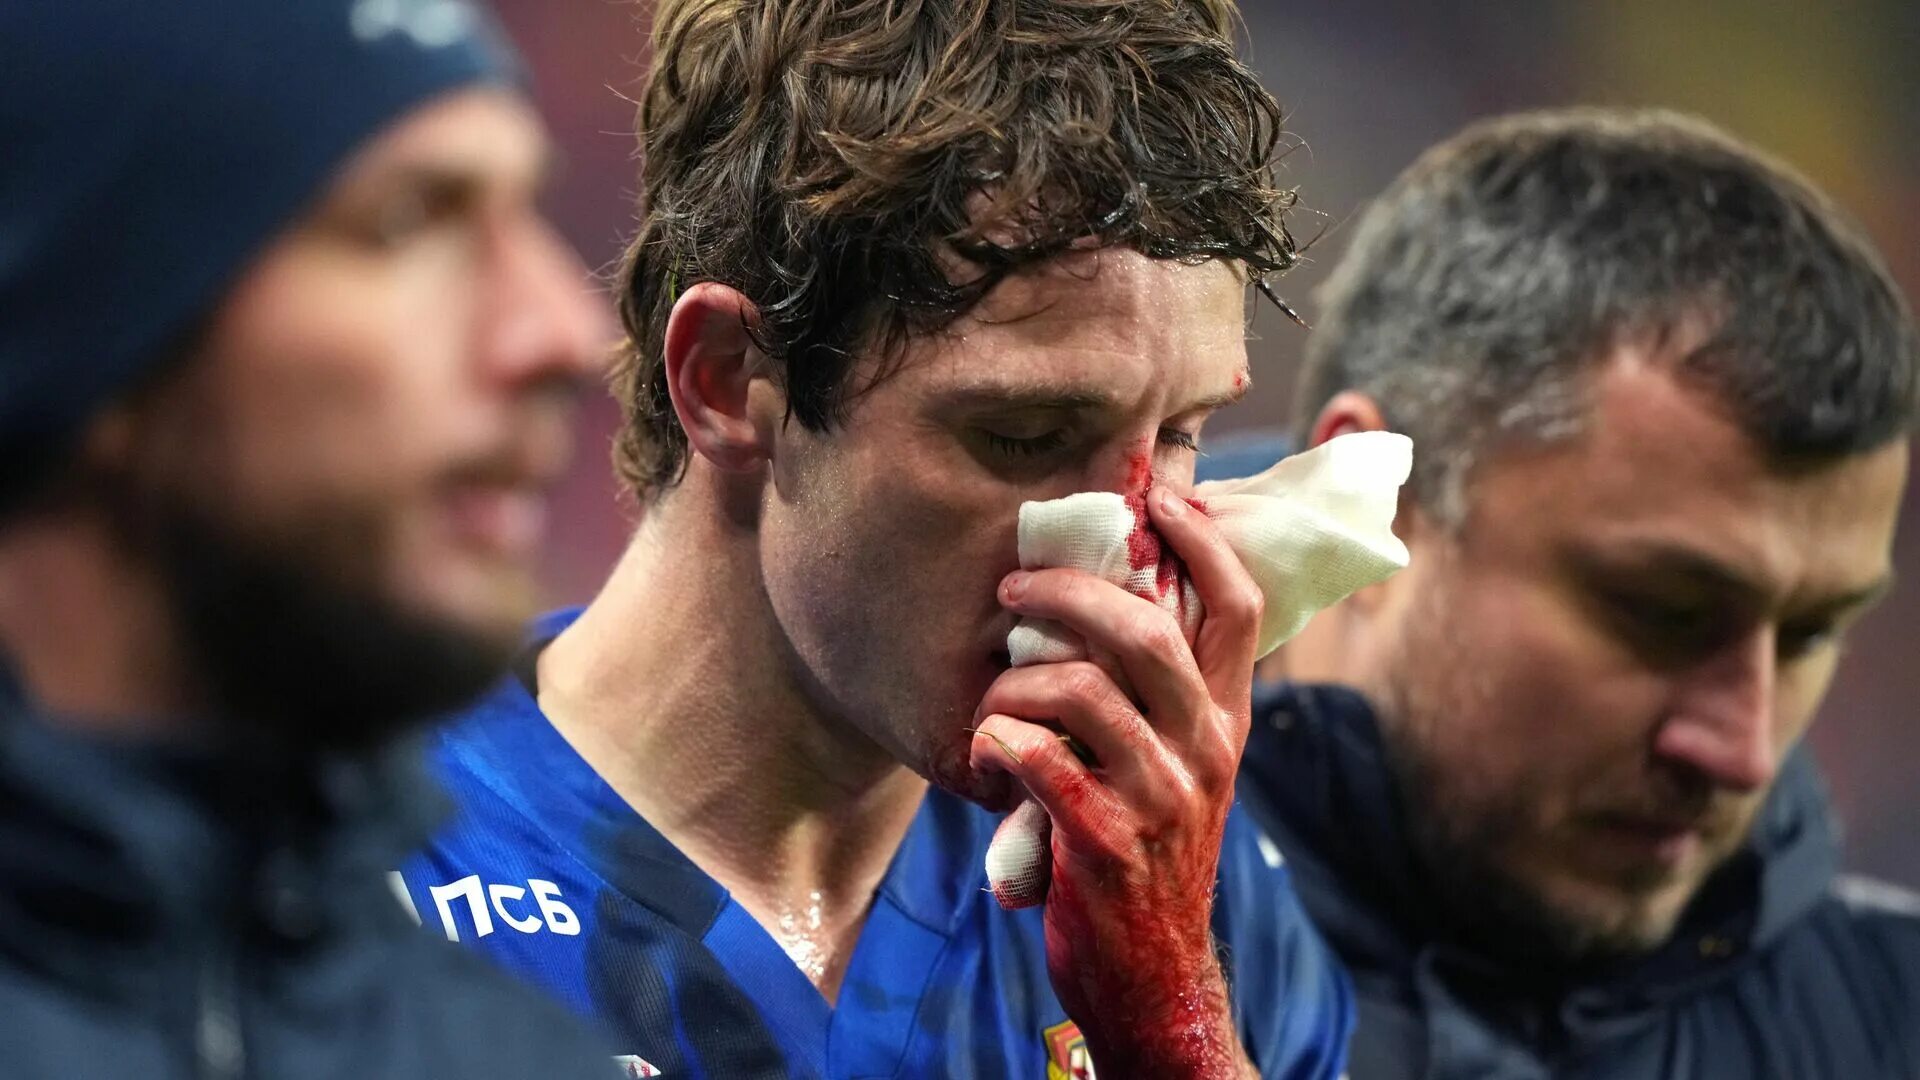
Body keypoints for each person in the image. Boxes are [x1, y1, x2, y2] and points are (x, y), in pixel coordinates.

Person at [398, 0, 1353, 1076]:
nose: (1132, 555)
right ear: (727, 383)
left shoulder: (1182, 894)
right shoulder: (352, 893)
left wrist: (1176, 1036)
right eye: (1026, 437)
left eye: (1181, 435)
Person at [0, 2, 619, 1077]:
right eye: (406, 221)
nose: (567, 329)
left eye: (527, 211)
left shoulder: (514, 1056)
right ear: (96, 325)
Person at [1238, 107, 1920, 1078]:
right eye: (1663, 614)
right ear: (1372, 503)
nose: (1744, 752)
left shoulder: (1890, 1025)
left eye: (1810, 633)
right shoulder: (1036, 954)